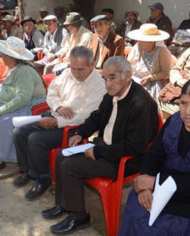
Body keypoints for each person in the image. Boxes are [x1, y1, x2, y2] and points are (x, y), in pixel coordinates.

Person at [44, 56, 159, 235]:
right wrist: (80, 133)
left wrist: (98, 151)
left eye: (112, 77)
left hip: (123, 161)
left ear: (127, 75)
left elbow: (134, 146)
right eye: (105, 78)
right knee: (62, 154)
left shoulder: (141, 103)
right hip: (105, 148)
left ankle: (80, 216)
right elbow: (97, 117)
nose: (107, 84)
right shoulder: (113, 93)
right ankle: (63, 204)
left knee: (70, 165)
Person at [119, 77, 190, 235]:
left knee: (169, 225)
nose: (187, 112)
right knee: (137, 203)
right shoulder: (174, 121)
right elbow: (154, 155)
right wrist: (146, 184)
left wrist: (153, 182)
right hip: (163, 186)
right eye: (183, 103)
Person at [13, 46, 106, 201]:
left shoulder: (99, 85)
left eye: (81, 69)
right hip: (55, 114)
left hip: (74, 127)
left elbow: (86, 116)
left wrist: (57, 122)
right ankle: (28, 171)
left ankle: (42, 177)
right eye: (73, 68)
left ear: (92, 65)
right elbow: (52, 90)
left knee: (36, 139)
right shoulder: (69, 73)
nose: (76, 73)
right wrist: (58, 106)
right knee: (20, 132)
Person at [0, 36, 46, 175]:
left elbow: (23, 97)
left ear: (11, 56)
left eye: (4, 53)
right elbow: (11, 86)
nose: (1, 55)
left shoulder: (23, 71)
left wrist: (1, 110)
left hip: (29, 106)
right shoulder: (14, 68)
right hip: (19, 100)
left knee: (0, 121)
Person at [127, 24, 172, 101]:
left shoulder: (162, 51)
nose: (139, 41)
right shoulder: (138, 46)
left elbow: (166, 72)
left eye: (142, 40)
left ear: (151, 41)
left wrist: (150, 77)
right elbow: (128, 64)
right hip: (134, 79)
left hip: (151, 83)